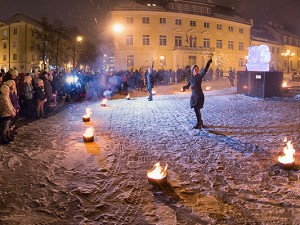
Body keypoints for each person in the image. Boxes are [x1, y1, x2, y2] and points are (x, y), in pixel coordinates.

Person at [182, 57, 213, 129]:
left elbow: (205, 70)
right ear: (192, 71)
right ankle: (200, 122)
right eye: (194, 69)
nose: (196, 70)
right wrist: (184, 87)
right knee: (197, 109)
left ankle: (199, 123)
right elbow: (188, 85)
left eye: (197, 69)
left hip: (199, 96)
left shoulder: (199, 76)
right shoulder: (191, 78)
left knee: (196, 109)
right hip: (194, 96)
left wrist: (208, 63)